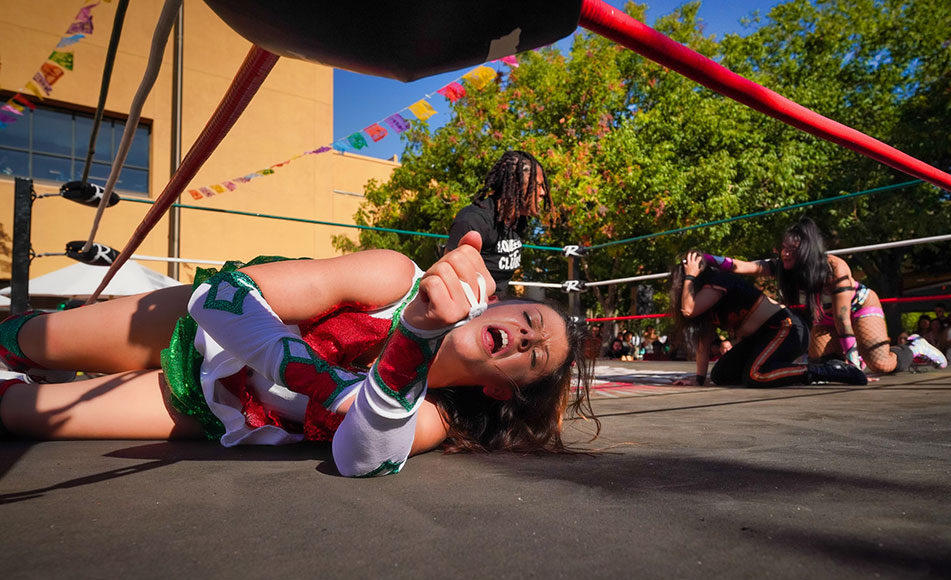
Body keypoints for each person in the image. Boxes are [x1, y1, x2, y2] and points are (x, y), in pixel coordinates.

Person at [0, 232, 596, 477]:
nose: (527, 338)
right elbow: (220, 299)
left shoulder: (433, 417)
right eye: (529, 321)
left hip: (211, 404)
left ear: (499, 389)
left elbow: (362, 460)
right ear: (495, 306)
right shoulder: (395, 277)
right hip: (189, 326)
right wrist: (334, 389)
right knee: (30, 339)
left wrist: (415, 337)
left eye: (534, 356)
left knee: (17, 413)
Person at [700, 217, 947, 374]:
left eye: (791, 249)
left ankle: (913, 347)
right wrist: (706, 258)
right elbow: (743, 266)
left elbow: (843, 320)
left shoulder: (833, 268)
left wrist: (854, 368)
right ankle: (857, 357)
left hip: (858, 308)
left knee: (881, 364)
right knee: (819, 360)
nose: (785, 254)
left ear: (806, 250)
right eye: (783, 248)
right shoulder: (783, 268)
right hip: (824, 318)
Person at [670, 250, 868, 388]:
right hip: (761, 338)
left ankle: (827, 370)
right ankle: (779, 373)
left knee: (756, 375)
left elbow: (688, 310)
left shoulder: (717, 282)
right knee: (720, 375)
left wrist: (690, 277)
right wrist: (699, 379)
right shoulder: (705, 300)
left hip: (786, 328)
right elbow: (703, 341)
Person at [445, 150, 551, 297]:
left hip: (498, 302)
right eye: (537, 186)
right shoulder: (473, 221)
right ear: (517, 185)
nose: (543, 192)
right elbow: (449, 279)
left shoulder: (518, 221)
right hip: (472, 305)